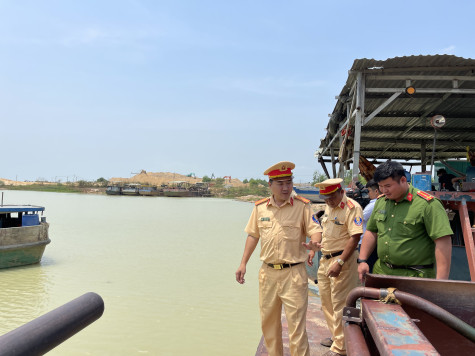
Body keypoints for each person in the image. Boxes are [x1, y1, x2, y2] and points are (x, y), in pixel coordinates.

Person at [235, 161, 322, 356]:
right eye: (280, 183)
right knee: (269, 325)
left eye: (289, 182)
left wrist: (315, 245)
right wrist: (243, 264)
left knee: (296, 327)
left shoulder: (303, 207)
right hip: (268, 274)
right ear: (270, 185)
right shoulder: (260, 208)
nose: (285, 187)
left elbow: (315, 230)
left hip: (294, 274)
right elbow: (253, 236)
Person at [358, 161, 453, 282]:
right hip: (382, 272)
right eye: (380, 186)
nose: (383, 190)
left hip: (415, 277)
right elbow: (371, 231)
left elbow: (443, 242)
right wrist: (362, 260)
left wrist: (441, 283)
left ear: (403, 180)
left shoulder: (428, 204)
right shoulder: (381, 202)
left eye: (387, 186)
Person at [303, 178, 363, 356]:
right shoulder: (329, 206)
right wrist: (314, 249)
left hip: (342, 261)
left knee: (340, 303)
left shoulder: (352, 208)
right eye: (325, 198)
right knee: (326, 302)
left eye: (331, 197)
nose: (328, 201)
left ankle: (341, 348)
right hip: (325, 259)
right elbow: (326, 232)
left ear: (340, 191)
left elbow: (355, 237)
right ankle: (337, 336)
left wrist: (341, 262)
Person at [359, 179, 380, 272]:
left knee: (369, 268)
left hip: (366, 240)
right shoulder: (374, 203)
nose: (367, 194)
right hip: (369, 240)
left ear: (376, 191)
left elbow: (360, 218)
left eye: (369, 191)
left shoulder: (374, 204)